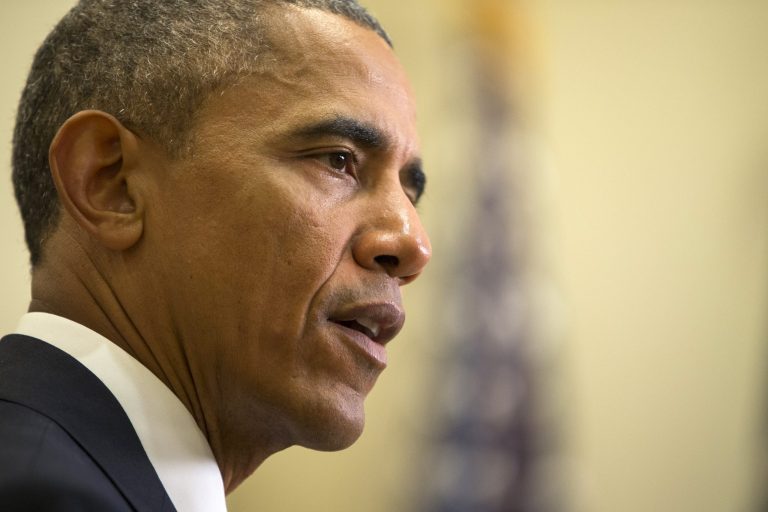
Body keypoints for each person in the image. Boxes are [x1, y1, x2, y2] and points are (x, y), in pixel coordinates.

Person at [0, 0, 431, 510]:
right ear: (110, 183)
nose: (412, 244)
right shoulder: (42, 494)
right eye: (339, 160)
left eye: (410, 192)